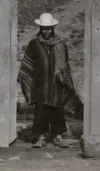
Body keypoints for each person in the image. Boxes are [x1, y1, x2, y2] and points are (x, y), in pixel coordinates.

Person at [17, 13, 82, 148]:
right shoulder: (33, 44)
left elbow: (65, 64)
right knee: (41, 110)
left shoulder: (61, 44)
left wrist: (65, 80)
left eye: (49, 28)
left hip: (56, 84)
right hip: (40, 84)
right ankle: (40, 137)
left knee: (57, 110)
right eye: (44, 28)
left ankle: (57, 137)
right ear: (40, 28)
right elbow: (27, 64)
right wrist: (29, 82)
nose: (46, 31)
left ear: (53, 28)